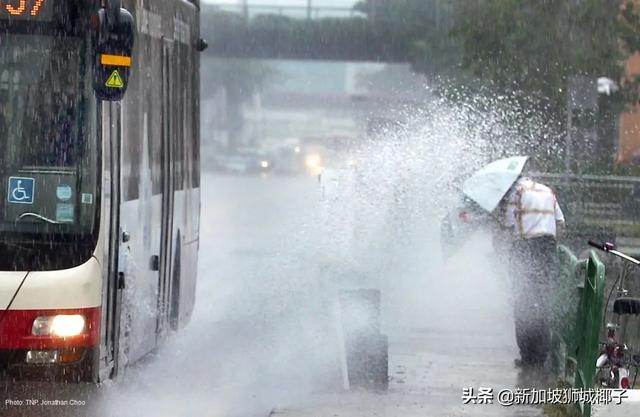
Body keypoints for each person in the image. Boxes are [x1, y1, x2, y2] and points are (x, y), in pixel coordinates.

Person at [501, 175, 565, 367]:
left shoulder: (516, 193)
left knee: (522, 300)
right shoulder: (548, 191)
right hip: (547, 248)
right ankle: (542, 355)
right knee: (543, 299)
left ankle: (527, 355)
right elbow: (561, 222)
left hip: (525, 248)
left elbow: (508, 224)